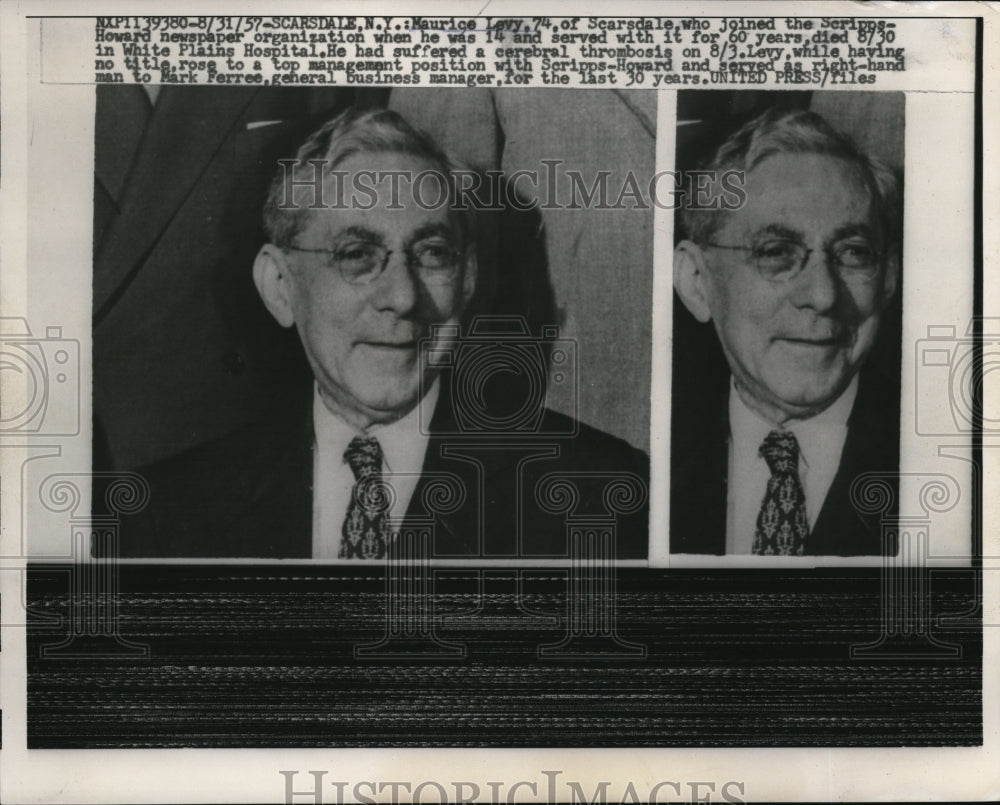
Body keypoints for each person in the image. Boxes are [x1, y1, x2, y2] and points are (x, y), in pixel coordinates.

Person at [109, 107, 648, 560]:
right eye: (357, 255)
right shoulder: (167, 512)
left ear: (468, 281)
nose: (403, 296)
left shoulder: (595, 494)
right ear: (280, 286)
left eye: (432, 254)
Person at [670, 107, 901, 557]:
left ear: (889, 278)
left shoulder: (954, 466)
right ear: (697, 282)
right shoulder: (645, 469)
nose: (823, 295)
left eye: (853, 253)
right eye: (776, 252)